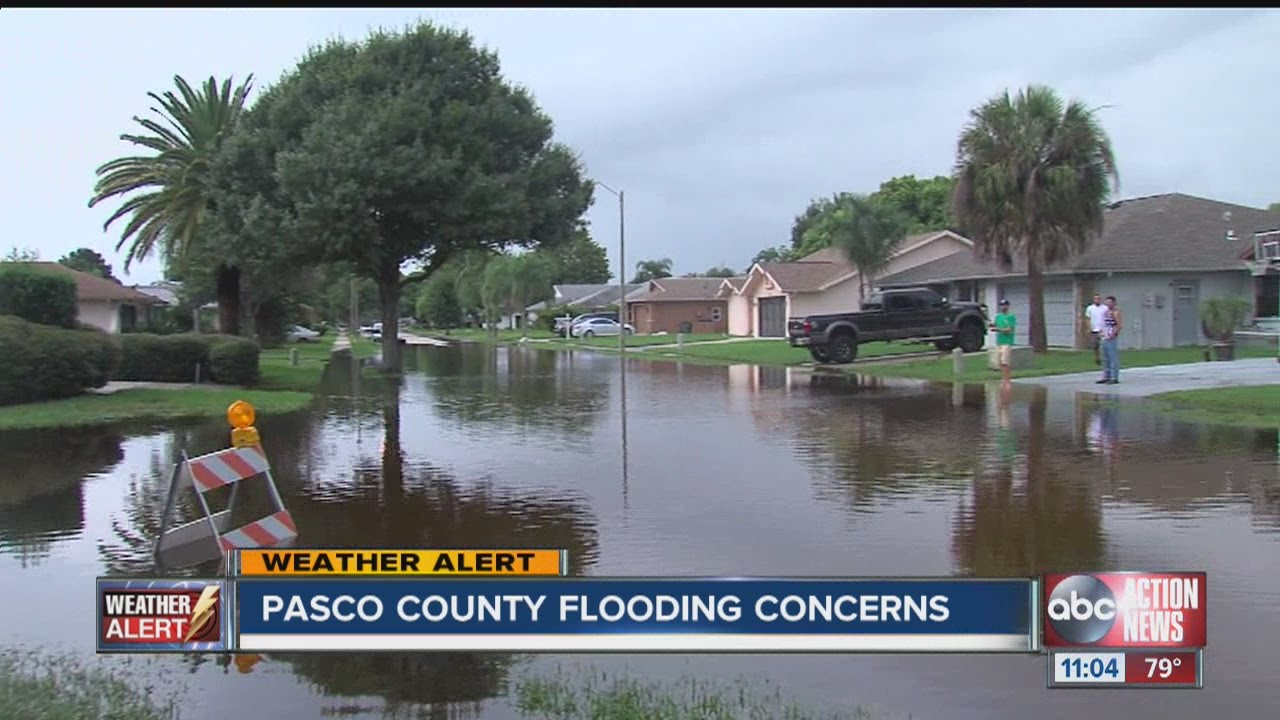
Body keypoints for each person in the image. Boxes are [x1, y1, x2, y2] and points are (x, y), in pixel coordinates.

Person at [990, 298, 1016, 386]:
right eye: (1001, 305)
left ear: (1008, 306)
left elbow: (1009, 330)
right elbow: (995, 325)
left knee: (1005, 362)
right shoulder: (998, 316)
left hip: (1007, 342)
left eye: (1005, 305)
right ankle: (1003, 379)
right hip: (999, 342)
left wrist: (998, 329)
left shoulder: (1011, 316)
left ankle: (1007, 380)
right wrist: (992, 325)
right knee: (1000, 362)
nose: (1003, 307)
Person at [1098, 295, 1122, 384]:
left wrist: (1114, 334)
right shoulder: (1105, 312)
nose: (1108, 304)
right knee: (1105, 358)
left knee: (1113, 358)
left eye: (1110, 302)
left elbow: (1118, 325)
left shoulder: (1116, 312)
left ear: (1114, 303)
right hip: (1104, 336)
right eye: (1107, 302)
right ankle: (1106, 376)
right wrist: (1101, 332)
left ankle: (1114, 377)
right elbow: (1102, 324)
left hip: (1111, 337)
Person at [1084, 294, 1107, 365]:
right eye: (1096, 299)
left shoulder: (1105, 308)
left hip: (1103, 330)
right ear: (1094, 300)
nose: (1097, 300)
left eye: (1098, 299)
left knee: (1104, 345)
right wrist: (1089, 327)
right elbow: (1088, 318)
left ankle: (1105, 358)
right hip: (1094, 330)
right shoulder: (1090, 308)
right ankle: (1097, 358)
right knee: (1095, 346)